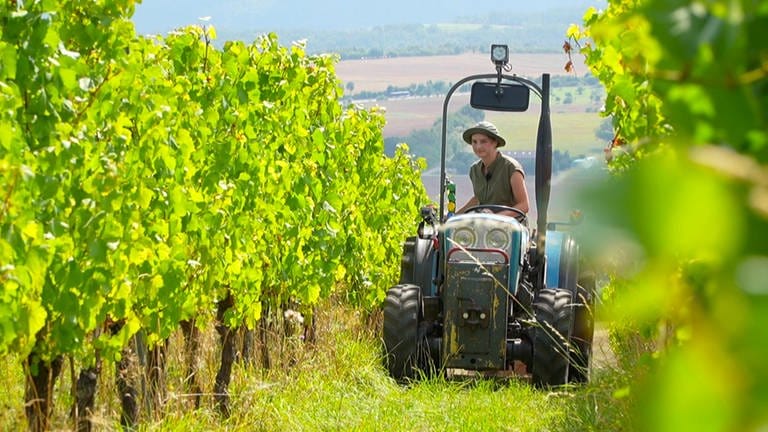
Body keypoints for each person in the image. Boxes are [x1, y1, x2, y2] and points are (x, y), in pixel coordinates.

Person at [456, 121, 530, 219]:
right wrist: (454, 217)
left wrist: (495, 217)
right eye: (474, 142)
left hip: (511, 228)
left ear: (495, 142)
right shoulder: (474, 170)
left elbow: (524, 205)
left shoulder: (511, 168)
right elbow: (478, 199)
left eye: (483, 141)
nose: (478, 147)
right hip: (485, 226)